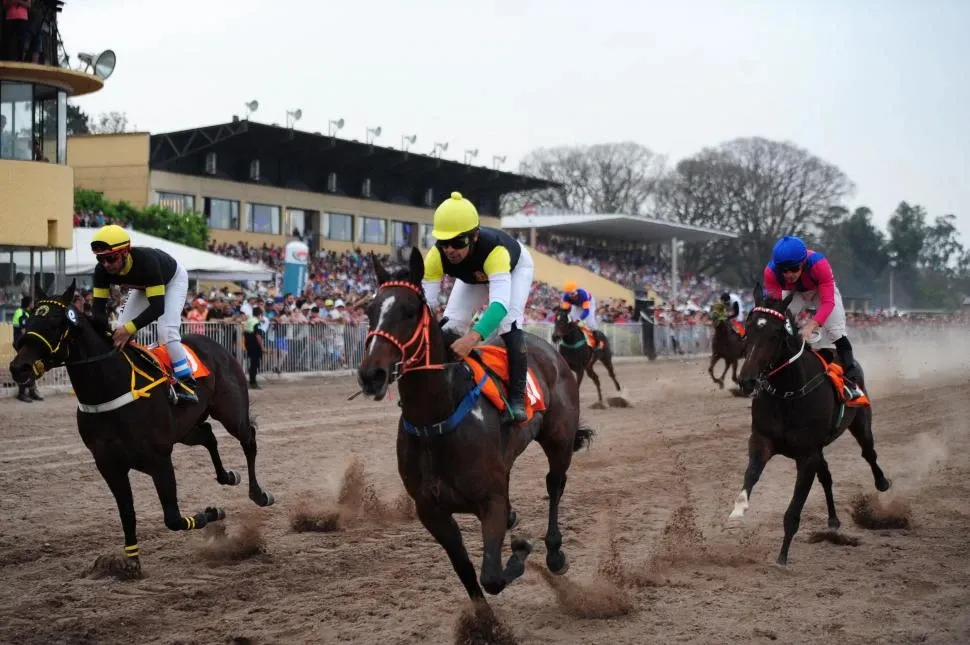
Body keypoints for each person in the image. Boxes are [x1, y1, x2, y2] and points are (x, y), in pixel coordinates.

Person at [421, 191, 535, 423]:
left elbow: (499, 306)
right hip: (472, 277)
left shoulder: (496, 252)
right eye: (444, 243)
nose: (450, 250)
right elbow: (427, 307)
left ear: (474, 236)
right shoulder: (434, 257)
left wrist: (471, 338)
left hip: (514, 268)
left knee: (507, 324)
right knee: (451, 324)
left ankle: (516, 397)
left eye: (458, 242)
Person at [89, 224, 199, 403]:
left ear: (125, 252)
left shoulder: (146, 262)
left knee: (167, 332)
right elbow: (98, 310)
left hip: (172, 280)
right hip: (142, 286)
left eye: (110, 258)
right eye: (100, 259)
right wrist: (105, 333)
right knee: (119, 329)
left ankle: (187, 383)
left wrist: (129, 329)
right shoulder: (101, 270)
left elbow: (157, 308)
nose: (106, 264)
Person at [763, 235, 863, 397]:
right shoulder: (770, 273)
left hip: (819, 291)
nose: (789, 274)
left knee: (836, 332)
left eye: (794, 268)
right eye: (784, 270)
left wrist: (811, 325)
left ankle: (852, 380)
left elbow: (828, 303)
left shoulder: (819, 264)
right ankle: (768, 376)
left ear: (803, 262)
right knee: (776, 324)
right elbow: (774, 306)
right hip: (794, 293)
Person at [12, 295, 43, 402]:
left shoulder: (27, 313)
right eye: (31, 303)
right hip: (22, 344)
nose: (33, 304)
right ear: (28, 304)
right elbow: (24, 332)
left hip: (27, 345)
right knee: (24, 368)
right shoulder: (21, 313)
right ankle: (21, 393)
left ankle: (32, 391)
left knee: (33, 367)